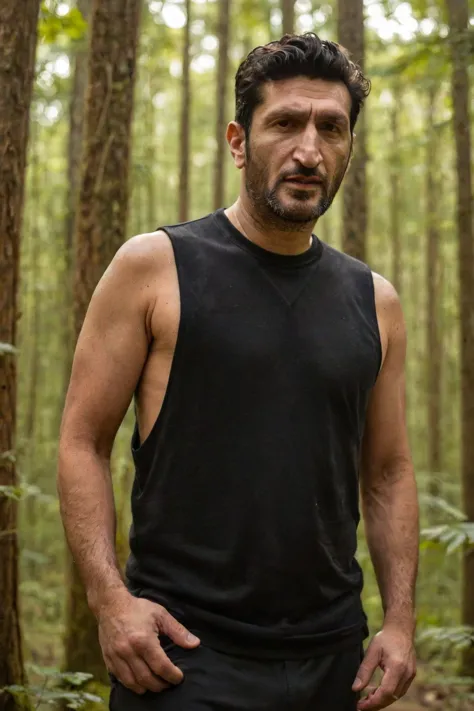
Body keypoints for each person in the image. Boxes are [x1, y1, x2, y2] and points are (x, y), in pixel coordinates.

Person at [57, 32, 419, 711]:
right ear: (238, 140)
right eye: (285, 123)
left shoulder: (376, 301)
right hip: (182, 657)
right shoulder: (153, 267)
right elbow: (82, 440)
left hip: (333, 659)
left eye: (331, 129)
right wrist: (110, 601)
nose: (309, 150)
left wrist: (400, 622)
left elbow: (390, 471)